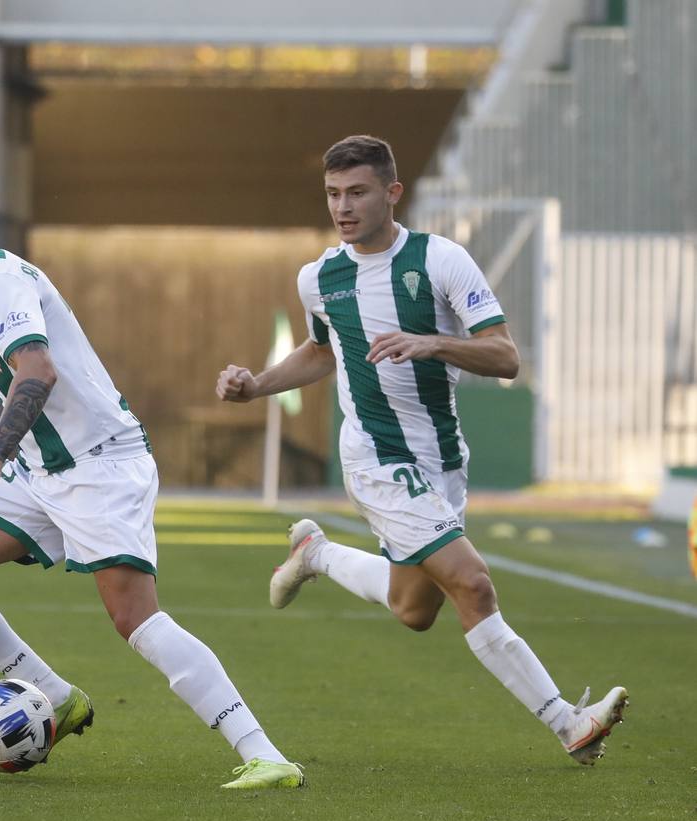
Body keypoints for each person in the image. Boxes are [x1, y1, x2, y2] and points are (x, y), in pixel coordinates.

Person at [0, 163, 306, 791]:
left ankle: (265, 755)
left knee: (136, 620)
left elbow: (36, 370)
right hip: (42, 468)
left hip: (99, 465)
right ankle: (52, 694)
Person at [215, 134, 628, 765]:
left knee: (414, 609)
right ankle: (569, 723)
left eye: (357, 192)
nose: (343, 207)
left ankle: (315, 554)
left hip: (441, 460)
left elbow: (506, 355)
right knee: (474, 584)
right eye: (333, 194)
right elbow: (323, 351)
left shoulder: (440, 261)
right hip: (378, 458)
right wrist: (256, 387)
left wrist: (432, 342)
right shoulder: (320, 277)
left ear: (392, 193)